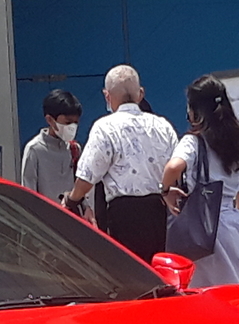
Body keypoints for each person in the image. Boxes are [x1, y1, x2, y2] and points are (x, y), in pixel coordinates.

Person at [68, 65, 178, 261]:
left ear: (107, 96)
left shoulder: (105, 127)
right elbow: (177, 169)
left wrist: (72, 200)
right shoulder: (163, 126)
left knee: (128, 274)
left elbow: (87, 175)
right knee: (157, 271)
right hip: (160, 213)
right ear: (141, 93)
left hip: (122, 215)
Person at [162, 75, 239, 288]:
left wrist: (165, 190)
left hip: (205, 230)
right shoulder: (238, 143)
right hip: (237, 230)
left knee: (207, 297)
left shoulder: (194, 142)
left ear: (196, 111)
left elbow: (173, 167)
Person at [20, 90, 81, 201]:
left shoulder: (74, 149)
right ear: (50, 120)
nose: (72, 127)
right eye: (67, 122)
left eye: (76, 123)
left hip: (72, 215)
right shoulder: (34, 149)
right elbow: (29, 192)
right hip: (46, 216)